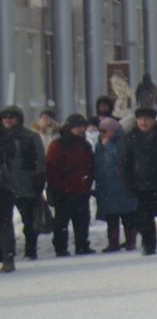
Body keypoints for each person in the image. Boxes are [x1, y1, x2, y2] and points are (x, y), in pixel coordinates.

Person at [119, 105, 157, 257]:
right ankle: (148, 245)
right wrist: (128, 184)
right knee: (144, 219)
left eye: (147, 119)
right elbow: (124, 163)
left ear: (153, 120)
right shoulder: (130, 138)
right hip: (141, 186)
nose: (143, 122)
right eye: (140, 119)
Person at [0, 105, 48, 268]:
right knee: (5, 222)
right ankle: (6, 255)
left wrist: (38, 180)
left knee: (29, 221)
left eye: (11, 117)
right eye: (5, 118)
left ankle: (30, 250)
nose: (7, 121)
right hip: (5, 185)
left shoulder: (30, 137)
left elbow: (39, 160)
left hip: (25, 183)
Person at [45, 115, 95, 257]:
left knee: (82, 220)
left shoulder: (85, 145)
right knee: (62, 221)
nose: (80, 129)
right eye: (76, 127)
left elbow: (89, 166)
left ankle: (82, 245)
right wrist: (57, 186)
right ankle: (61, 247)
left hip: (81, 189)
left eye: (82, 127)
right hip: (64, 190)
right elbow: (52, 168)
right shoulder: (58, 145)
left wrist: (88, 183)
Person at [91, 117, 139, 252]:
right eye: (100, 130)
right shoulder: (99, 144)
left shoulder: (122, 142)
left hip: (121, 184)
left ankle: (131, 241)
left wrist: (109, 146)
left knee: (127, 215)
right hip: (106, 185)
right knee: (111, 217)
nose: (102, 133)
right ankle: (113, 242)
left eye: (105, 130)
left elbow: (122, 158)